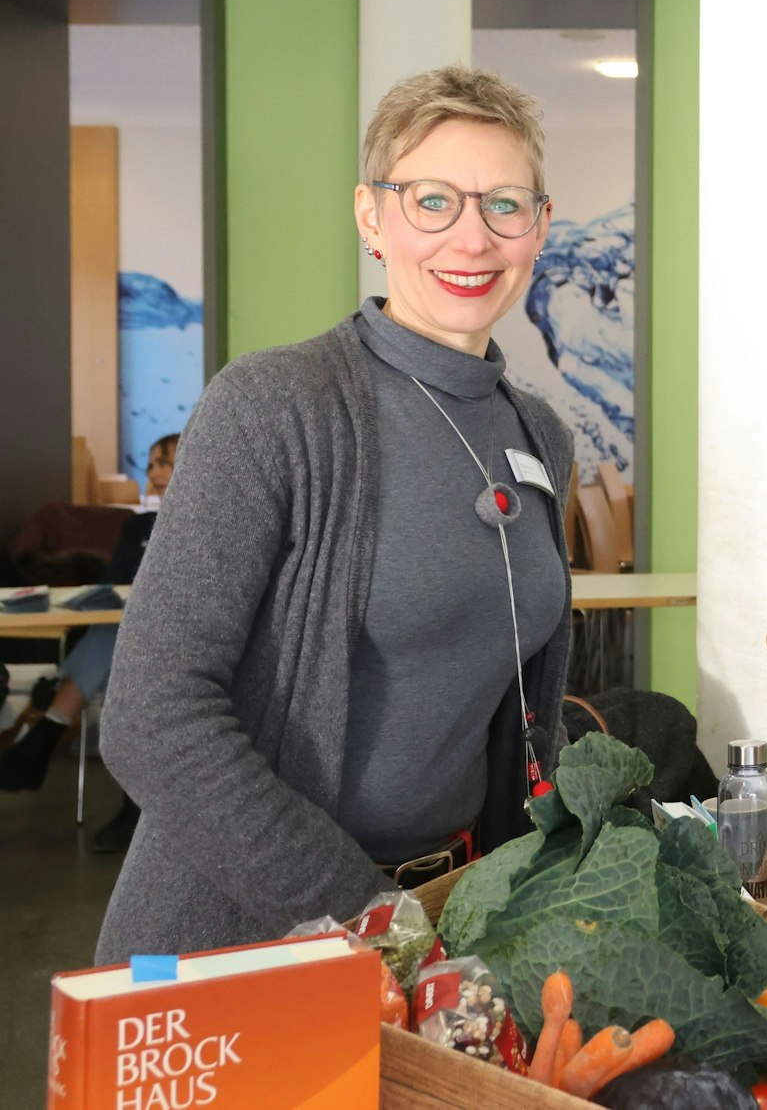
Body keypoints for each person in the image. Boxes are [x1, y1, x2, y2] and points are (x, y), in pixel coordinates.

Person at [96, 65, 574, 962]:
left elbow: (508, 698)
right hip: (248, 928)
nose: (471, 237)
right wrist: (363, 912)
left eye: (505, 204)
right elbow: (152, 715)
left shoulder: (541, 433)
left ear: (539, 226)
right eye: (432, 200)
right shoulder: (276, 406)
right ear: (371, 216)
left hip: (451, 915)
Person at [0, 434, 178, 858]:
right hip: (132, 639)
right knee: (113, 635)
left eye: (163, 463)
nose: (153, 472)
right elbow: (110, 587)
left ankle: (48, 730)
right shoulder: (136, 527)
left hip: (178, 639)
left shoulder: (207, 524)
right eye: (151, 464)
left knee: (115, 637)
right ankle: (134, 806)